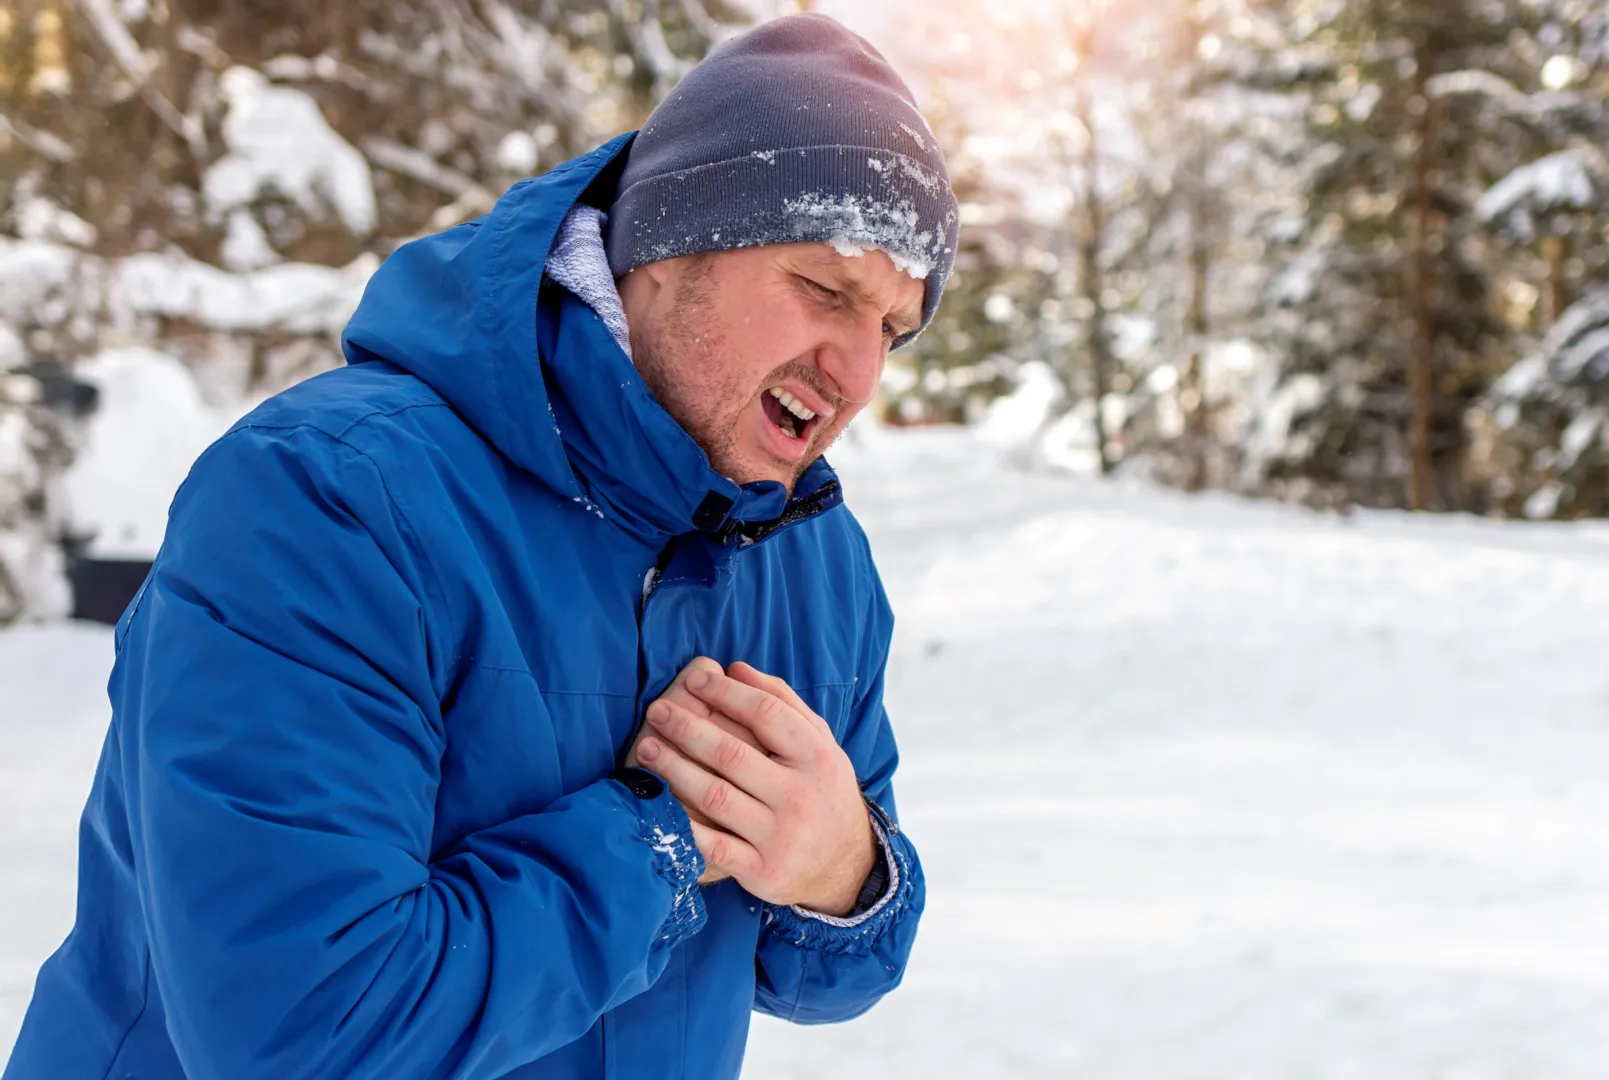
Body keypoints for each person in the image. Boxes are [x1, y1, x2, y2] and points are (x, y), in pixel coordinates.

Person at [4, 14, 954, 1080]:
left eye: (893, 327)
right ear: (668, 245)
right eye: (825, 291)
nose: (858, 372)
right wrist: (663, 844)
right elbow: (302, 1034)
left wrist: (846, 870)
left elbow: (828, 967)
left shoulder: (812, 562)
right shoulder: (327, 499)